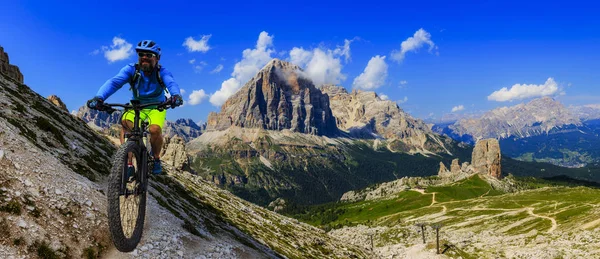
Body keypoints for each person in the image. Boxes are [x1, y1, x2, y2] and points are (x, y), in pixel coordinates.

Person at [87, 40, 183, 174]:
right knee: (126, 123)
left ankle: (156, 159)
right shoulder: (131, 70)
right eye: (141, 54)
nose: (144, 57)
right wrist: (99, 97)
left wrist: (176, 96)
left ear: (157, 58)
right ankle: (129, 163)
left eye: (149, 55)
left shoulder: (162, 72)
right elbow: (114, 83)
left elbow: (171, 84)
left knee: (155, 130)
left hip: (157, 106)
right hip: (137, 105)